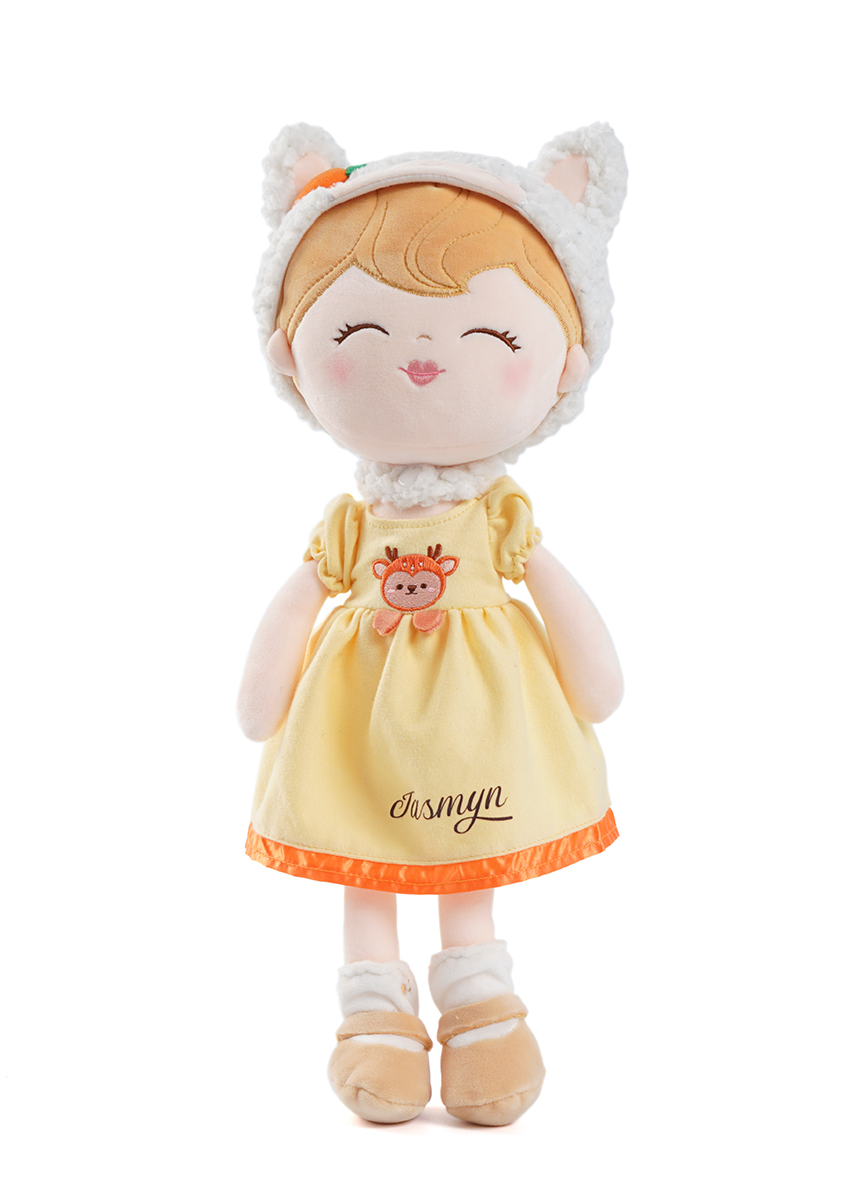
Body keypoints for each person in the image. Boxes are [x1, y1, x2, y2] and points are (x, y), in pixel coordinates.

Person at [239, 124, 627, 1125]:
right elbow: (305, 593)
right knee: (360, 858)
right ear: (292, 357)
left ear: (564, 366)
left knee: (469, 865)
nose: (420, 359)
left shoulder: (500, 518)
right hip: (356, 724)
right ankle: (374, 1017)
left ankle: (481, 1009)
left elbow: (554, 595)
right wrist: (261, 697)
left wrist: (595, 682)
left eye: (491, 338)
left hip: (478, 727)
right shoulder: (349, 526)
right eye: (360, 333)